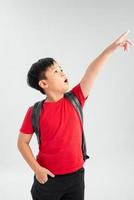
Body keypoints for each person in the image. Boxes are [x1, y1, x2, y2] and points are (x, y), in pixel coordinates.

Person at [17, 30, 133, 200]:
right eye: (56, 72)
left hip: (76, 178)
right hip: (48, 179)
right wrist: (37, 169)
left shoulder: (75, 98)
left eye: (61, 69)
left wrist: (111, 48)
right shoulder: (34, 112)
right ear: (43, 83)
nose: (63, 72)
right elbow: (22, 143)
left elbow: (92, 71)